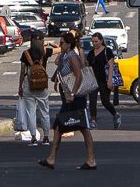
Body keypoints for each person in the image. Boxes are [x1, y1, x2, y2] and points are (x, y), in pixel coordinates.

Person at [39, 32, 98, 170]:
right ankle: (51, 158)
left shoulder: (72, 56)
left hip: (75, 98)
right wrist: (55, 79)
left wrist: (72, 93)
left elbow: (79, 76)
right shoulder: (64, 55)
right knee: (60, 126)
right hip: (68, 97)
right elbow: (61, 71)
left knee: (82, 127)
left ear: (69, 44)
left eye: (62, 43)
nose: (60, 45)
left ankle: (91, 159)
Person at [16, 32, 51, 146]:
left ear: (31, 41)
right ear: (42, 41)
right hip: (42, 84)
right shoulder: (45, 52)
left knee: (31, 112)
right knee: (44, 111)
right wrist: (49, 44)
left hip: (29, 83)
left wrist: (20, 86)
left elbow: (22, 71)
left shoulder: (26, 54)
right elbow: (60, 49)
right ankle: (46, 137)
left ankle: (33, 138)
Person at [86, 32, 121, 128]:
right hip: (94, 80)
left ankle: (115, 114)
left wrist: (110, 81)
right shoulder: (90, 53)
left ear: (101, 41)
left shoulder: (107, 51)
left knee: (105, 101)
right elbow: (89, 67)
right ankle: (93, 120)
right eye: (93, 42)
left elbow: (111, 66)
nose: (95, 43)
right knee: (92, 101)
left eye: (96, 41)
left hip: (104, 80)